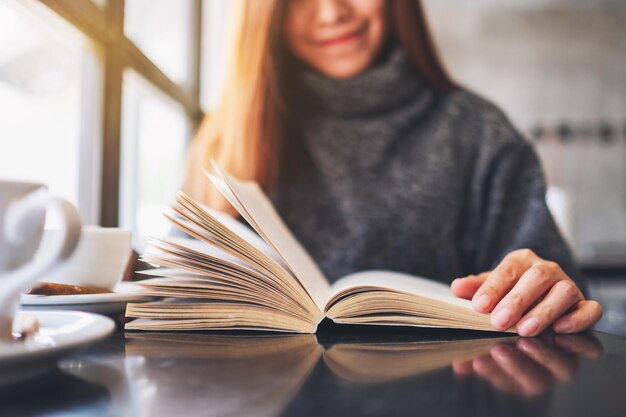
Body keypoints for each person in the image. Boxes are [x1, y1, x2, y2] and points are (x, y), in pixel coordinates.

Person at [182, 0, 602, 337]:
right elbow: (176, 295)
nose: (331, 12)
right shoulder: (225, 138)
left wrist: (549, 293)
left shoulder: (481, 135)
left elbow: (563, 304)